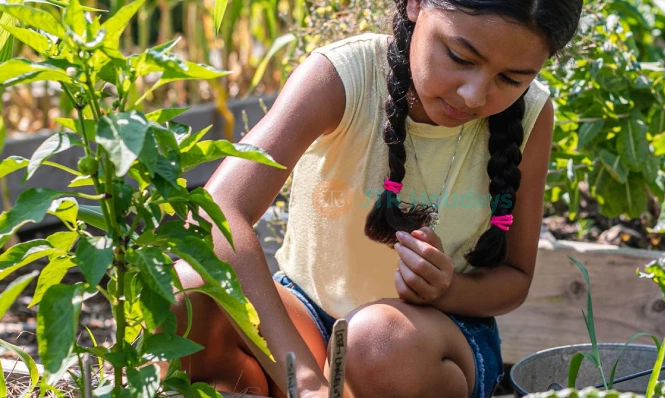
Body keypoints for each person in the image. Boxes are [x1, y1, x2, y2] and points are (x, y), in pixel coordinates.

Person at [172, 0, 582, 396]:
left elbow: (515, 277)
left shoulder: (530, 115)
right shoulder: (344, 76)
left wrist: (447, 289)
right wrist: (306, 381)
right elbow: (218, 211)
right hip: (306, 323)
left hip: (426, 344)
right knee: (189, 295)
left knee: (374, 342)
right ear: (416, 4)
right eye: (460, 57)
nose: (474, 95)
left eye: (511, 80)